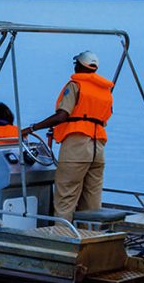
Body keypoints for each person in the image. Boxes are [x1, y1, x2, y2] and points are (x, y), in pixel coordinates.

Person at [21, 51, 114, 222]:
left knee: (66, 196)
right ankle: (90, 234)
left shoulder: (75, 85)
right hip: (98, 148)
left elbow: (62, 116)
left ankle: (62, 234)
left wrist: (32, 128)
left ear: (80, 65)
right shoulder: (105, 91)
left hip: (77, 147)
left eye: (76, 63)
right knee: (92, 199)